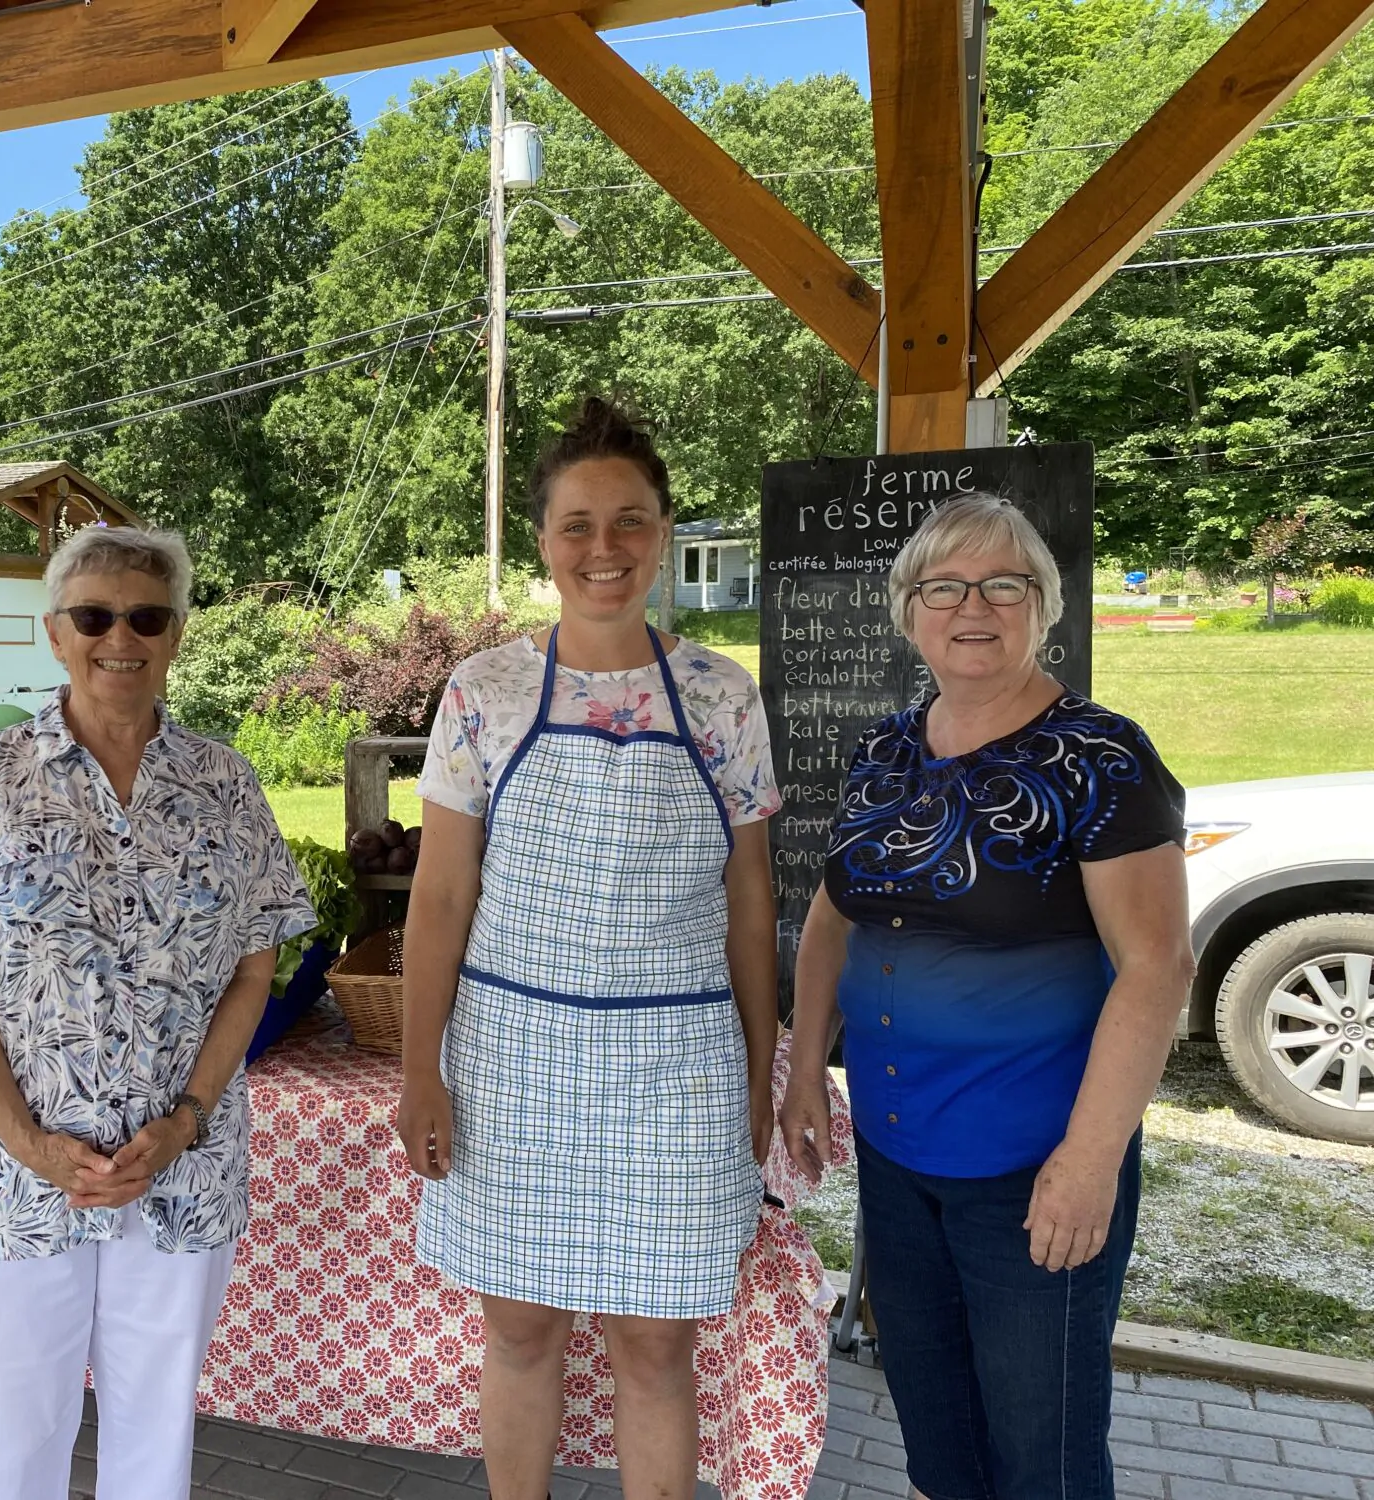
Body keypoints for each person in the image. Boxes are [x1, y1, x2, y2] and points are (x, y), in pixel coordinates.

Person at [0, 525, 316, 1500]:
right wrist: (27, 1140)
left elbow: (252, 972)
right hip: (10, 1178)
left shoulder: (224, 784)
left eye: (146, 616)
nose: (122, 636)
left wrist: (186, 1119)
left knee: (154, 1448)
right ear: (57, 632)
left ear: (176, 633)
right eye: (94, 615)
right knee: (13, 1451)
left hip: (179, 1169)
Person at [396, 397, 783, 1500]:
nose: (602, 549)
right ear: (541, 541)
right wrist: (419, 1068)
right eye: (576, 524)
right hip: (509, 1059)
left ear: (662, 532)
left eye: (628, 522)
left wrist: (757, 1075)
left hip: (673, 1067)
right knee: (519, 1331)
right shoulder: (485, 691)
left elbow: (747, 902)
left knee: (652, 1345)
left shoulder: (720, 696)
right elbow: (439, 895)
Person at [779, 494, 1192, 1500]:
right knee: (933, 1428)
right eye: (942, 586)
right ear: (907, 609)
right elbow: (833, 914)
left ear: (1041, 605)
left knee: (1039, 1450)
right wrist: (801, 1073)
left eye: (1002, 583)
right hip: (894, 1156)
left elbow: (1156, 966)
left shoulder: (1098, 757)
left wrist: (1089, 1162)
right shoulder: (883, 751)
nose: (973, 605)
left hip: (1032, 1167)